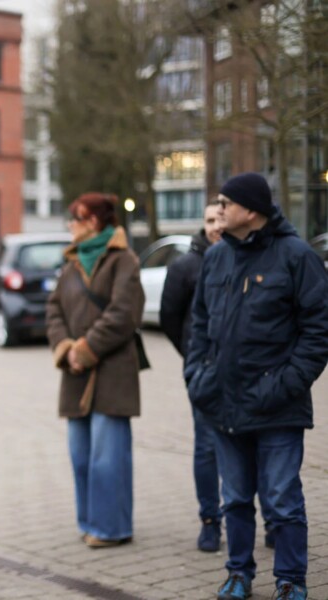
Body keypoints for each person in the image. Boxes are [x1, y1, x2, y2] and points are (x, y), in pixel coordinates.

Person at [184, 172, 328, 600]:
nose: (219, 210)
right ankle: (238, 574)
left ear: (250, 210)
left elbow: (318, 332)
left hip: (277, 407)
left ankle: (291, 580)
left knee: (281, 498)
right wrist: (199, 376)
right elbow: (198, 324)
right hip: (224, 403)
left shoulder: (296, 256)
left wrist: (283, 385)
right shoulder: (216, 258)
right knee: (234, 498)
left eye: (226, 203)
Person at [46, 192, 144, 549]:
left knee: (108, 458)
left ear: (93, 222)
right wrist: (66, 348)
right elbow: (54, 310)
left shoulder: (123, 260)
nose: (70, 225)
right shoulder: (72, 263)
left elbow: (124, 314)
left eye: (75, 218)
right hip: (75, 373)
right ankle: (90, 522)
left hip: (112, 371)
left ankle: (111, 528)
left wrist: (86, 349)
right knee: (81, 455)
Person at [159, 199, 223, 553]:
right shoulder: (185, 266)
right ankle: (210, 520)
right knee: (207, 447)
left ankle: (272, 521)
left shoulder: (246, 260)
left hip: (245, 372)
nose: (215, 227)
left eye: (220, 219)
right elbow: (170, 318)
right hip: (203, 373)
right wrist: (193, 358)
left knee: (252, 447)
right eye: (210, 220)